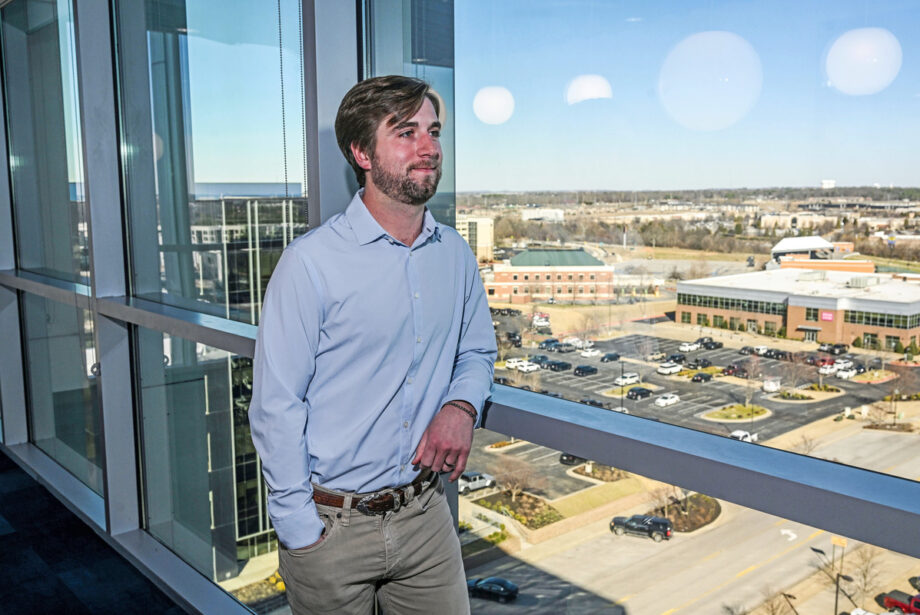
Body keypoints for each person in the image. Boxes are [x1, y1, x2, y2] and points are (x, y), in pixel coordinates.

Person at [249, 75, 496, 615]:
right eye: (405, 133)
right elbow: (276, 405)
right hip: (330, 530)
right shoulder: (310, 263)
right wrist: (298, 529)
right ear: (362, 153)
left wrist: (460, 406)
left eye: (433, 131)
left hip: (425, 516)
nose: (429, 147)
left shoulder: (454, 254)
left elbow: (477, 351)